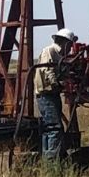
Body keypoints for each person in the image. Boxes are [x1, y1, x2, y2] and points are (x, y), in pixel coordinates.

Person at [34, 27, 76, 161]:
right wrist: (58, 83)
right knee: (54, 128)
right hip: (46, 95)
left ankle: (48, 158)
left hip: (52, 95)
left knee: (50, 128)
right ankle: (52, 162)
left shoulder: (60, 55)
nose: (70, 48)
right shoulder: (49, 51)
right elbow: (48, 71)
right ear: (65, 42)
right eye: (70, 45)